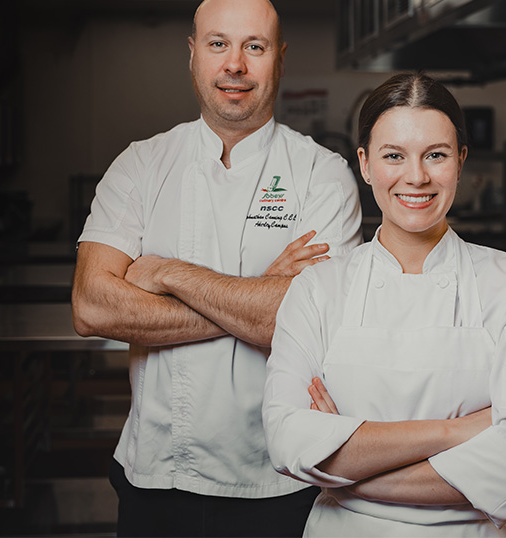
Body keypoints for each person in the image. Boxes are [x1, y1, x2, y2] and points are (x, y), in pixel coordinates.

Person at [71, 0, 362, 535]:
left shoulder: (322, 174)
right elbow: (92, 306)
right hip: (155, 474)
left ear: (279, 58)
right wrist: (260, 295)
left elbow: (308, 326)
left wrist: (166, 274)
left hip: (280, 476)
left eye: (255, 46)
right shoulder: (140, 164)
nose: (235, 64)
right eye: (218, 44)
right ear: (193, 54)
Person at [262, 73, 506, 537]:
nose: (416, 176)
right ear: (364, 164)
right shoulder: (318, 289)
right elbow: (286, 441)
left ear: (461, 160)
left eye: (436, 155)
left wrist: (348, 467)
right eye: (394, 156)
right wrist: (454, 431)